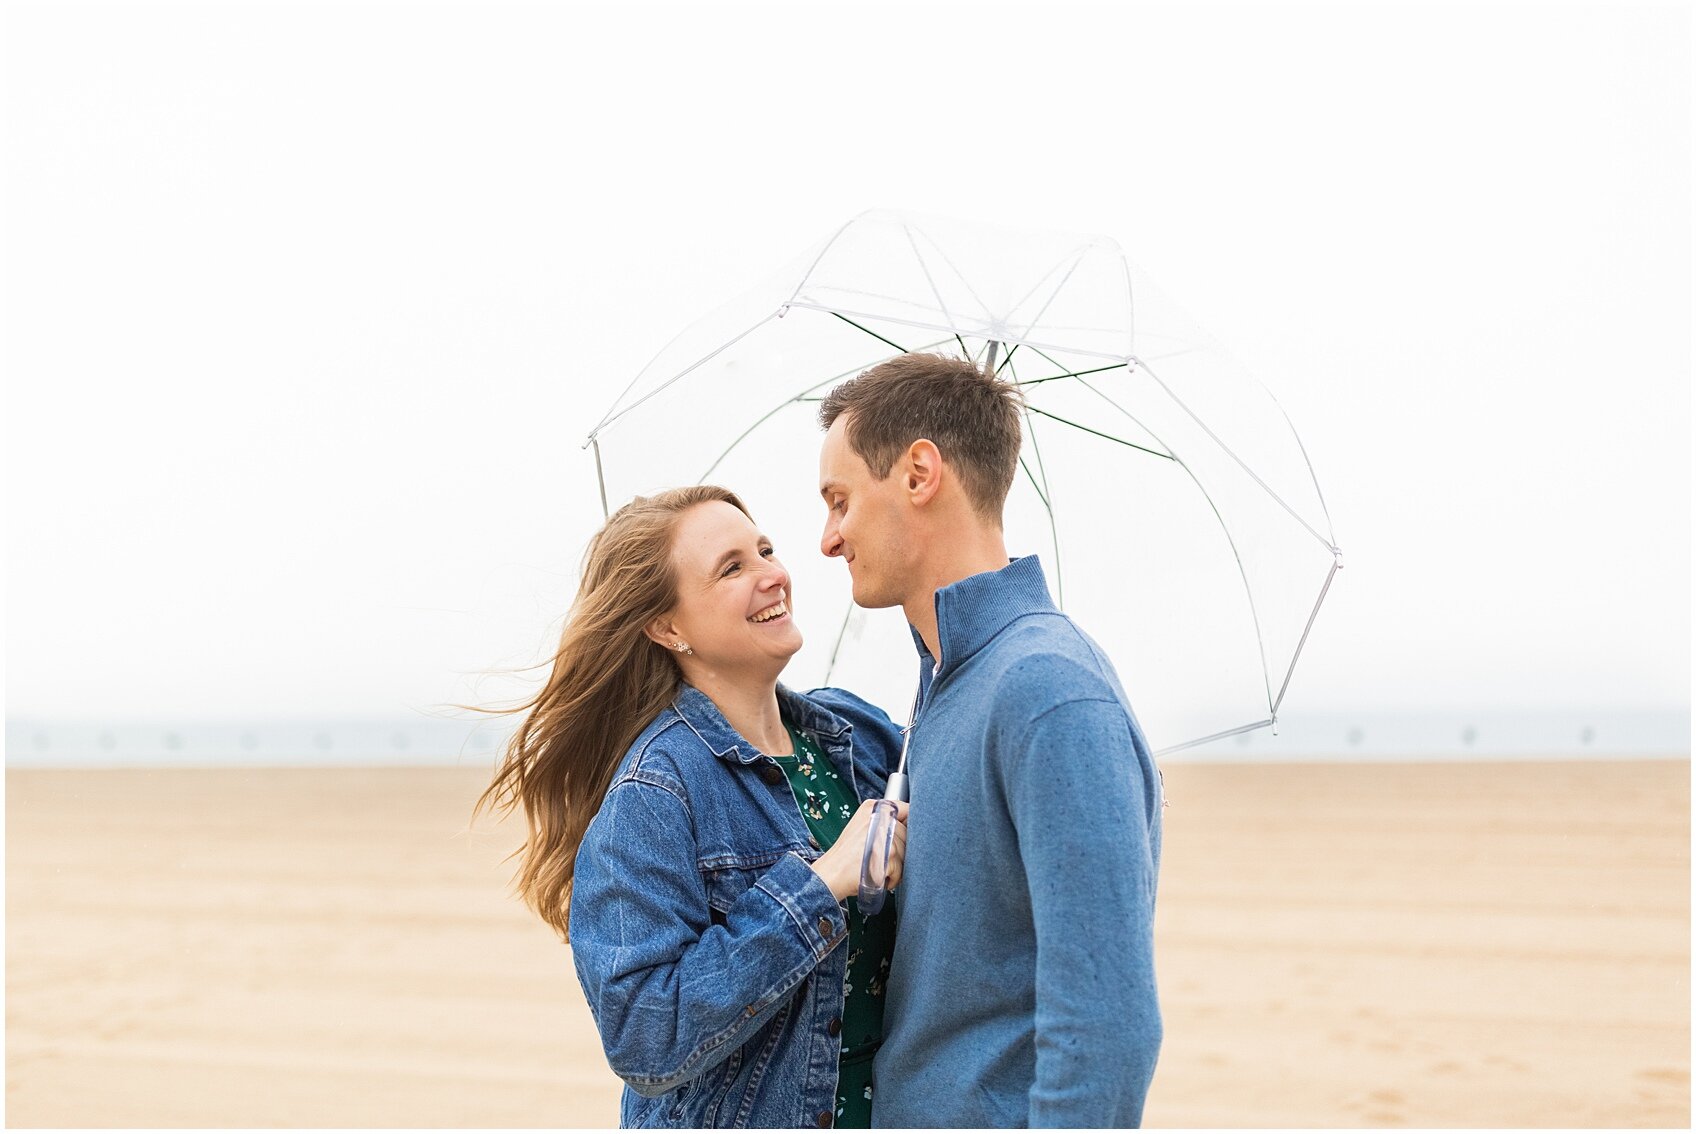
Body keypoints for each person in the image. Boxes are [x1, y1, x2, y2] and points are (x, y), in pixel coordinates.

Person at [475, 485, 909, 1129]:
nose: (774, 576)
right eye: (733, 568)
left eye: (765, 550)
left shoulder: (860, 738)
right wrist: (818, 886)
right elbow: (644, 1035)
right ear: (668, 627)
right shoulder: (655, 792)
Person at [816, 353, 1164, 1127]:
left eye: (840, 501)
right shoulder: (945, 684)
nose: (828, 540)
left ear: (919, 473)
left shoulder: (1046, 689)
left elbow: (1107, 1029)